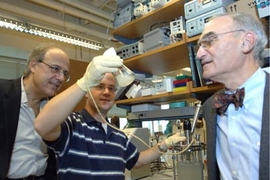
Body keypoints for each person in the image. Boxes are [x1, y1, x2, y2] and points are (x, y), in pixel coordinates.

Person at [34, 48, 186, 180]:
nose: (106, 92)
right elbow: (42, 125)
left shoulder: (118, 134)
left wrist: (165, 145)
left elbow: (137, 161)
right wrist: (84, 82)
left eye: (112, 88)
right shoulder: (72, 125)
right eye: (99, 86)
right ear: (87, 91)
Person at [196, 13, 269, 180]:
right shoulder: (210, 106)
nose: (199, 54)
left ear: (246, 42)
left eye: (210, 41)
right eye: (199, 46)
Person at [0, 43, 70, 180]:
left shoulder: (56, 108)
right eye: (55, 69)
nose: (61, 78)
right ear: (33, 65)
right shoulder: (2, 92)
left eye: (65, 73)